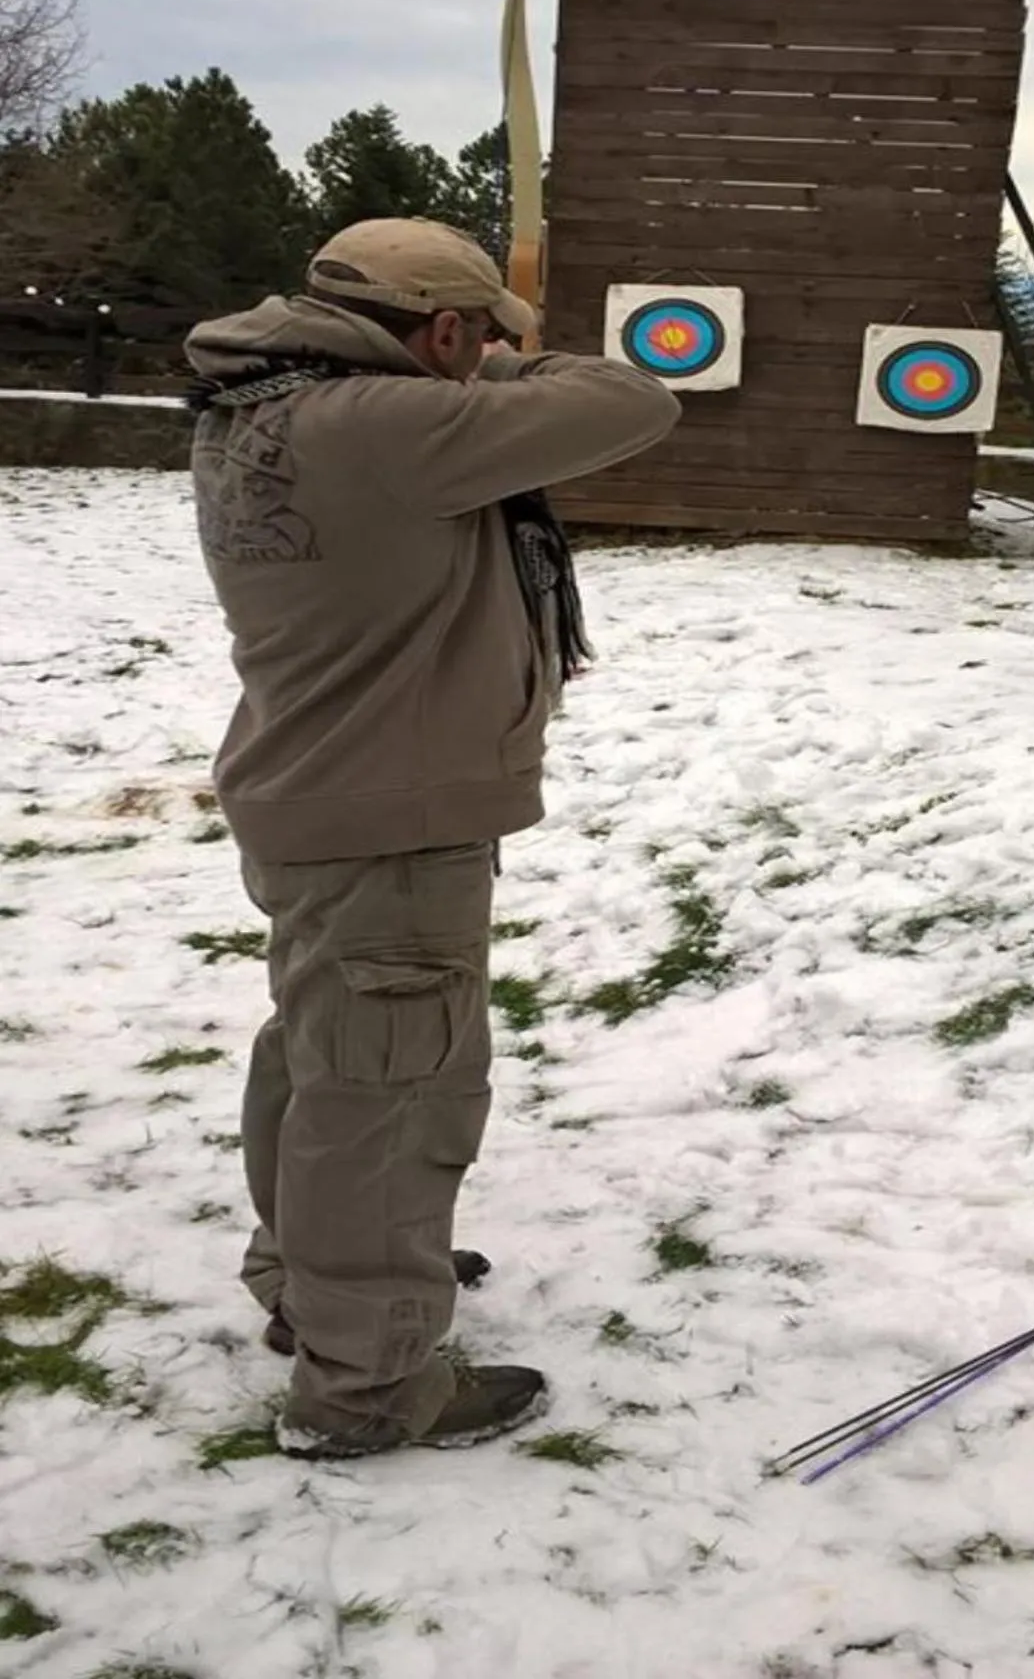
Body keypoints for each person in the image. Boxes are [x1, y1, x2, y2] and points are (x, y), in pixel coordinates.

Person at [185, 217, 681, 1459]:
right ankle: (369, 1382)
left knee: (326, 1055)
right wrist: (516, 359)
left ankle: (320, 1282)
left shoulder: (266, 407)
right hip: (389, 814)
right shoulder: (386, 427)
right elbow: (632, 398)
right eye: (472, 341)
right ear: (443, 333)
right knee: (393, 1094)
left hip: (328, 795)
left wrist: (481, 352)